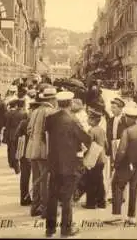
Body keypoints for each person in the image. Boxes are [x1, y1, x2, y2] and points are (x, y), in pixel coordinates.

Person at [44, 91, 92, 238]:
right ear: (70, 103)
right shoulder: (73, 120)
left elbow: (44, 137)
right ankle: (66, 229)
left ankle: (50, 229)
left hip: (53, 163)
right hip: (70, 165)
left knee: (52, 195)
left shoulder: (50, 119)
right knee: (67, 198)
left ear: (58, 103)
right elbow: (86, 139)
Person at [108, 106, 137, 226]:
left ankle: (117, 215)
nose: (125, 119)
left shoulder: (127, 131)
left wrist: (115, 164)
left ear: (129, 118)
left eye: (126, 117)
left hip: (126, 164)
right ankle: (131, 217)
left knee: (116, 185)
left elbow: (121, 150)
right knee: (133, 190)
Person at [25, 86, 57, 218]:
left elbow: (28, 130)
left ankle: (35, 208)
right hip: (44, 151)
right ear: (53, 99)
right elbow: (51, 134)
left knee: (36, 179)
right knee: (45, 181)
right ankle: (45, 209)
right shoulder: (51, 112)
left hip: (32, 150)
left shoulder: (36, 111)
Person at [16, 101, 41, 206]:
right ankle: (37, 200)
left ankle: (24, 198)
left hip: (25, 153)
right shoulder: (40, 123)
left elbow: (16, 136)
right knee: (37, 176)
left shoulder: (24, 123)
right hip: (36, 152)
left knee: (25, 176)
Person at [83, 108, 107, 209]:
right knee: (99, 180)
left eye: (88, 118)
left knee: (90, 181)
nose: (87, 120)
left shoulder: (91, 130)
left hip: (93, 159)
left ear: (93, 120)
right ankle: (101, 202)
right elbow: (106, 144)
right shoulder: (102, 130)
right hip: (102, 158)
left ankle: (91, 203)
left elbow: (87, 144)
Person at [4, 99, 28, 174]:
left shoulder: (12, 113)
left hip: (12, 134)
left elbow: (7, 125)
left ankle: (16, 166)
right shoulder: (25, 114)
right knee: (21, 150)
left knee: (13, 150)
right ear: (23, 105)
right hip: (22, 135)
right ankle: (20, 166)